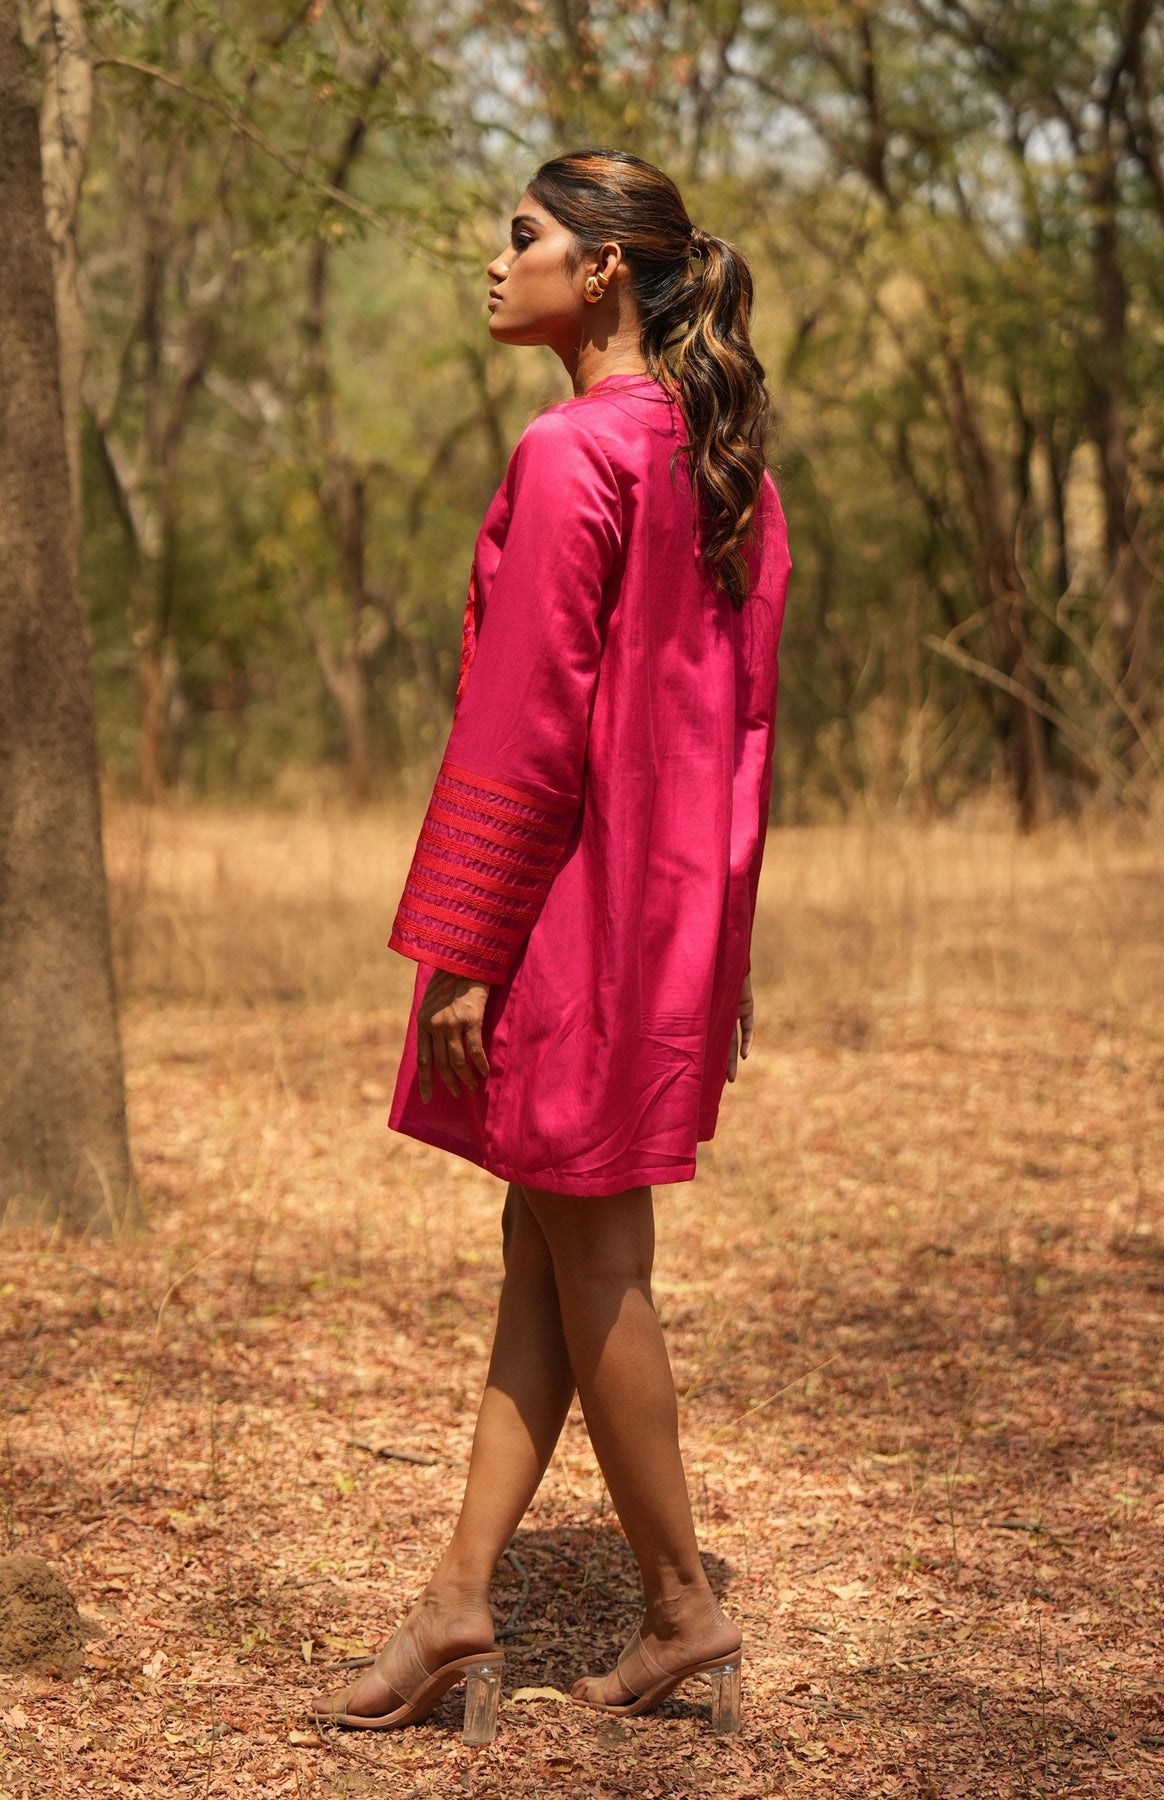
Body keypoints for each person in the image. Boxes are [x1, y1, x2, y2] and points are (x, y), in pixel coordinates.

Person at [313, 148, 790, 1743]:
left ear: (601, 274)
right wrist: (723, 953)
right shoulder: (729, 470)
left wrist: (462, 949)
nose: (493, 260)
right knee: (544, 1242)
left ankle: (680, 1613)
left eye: (522, 238)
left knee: (596, 1259)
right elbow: (746, 740)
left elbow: (519, 734)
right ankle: (457, 1605)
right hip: (666, 925)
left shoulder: (575, 451)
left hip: (571, 924)